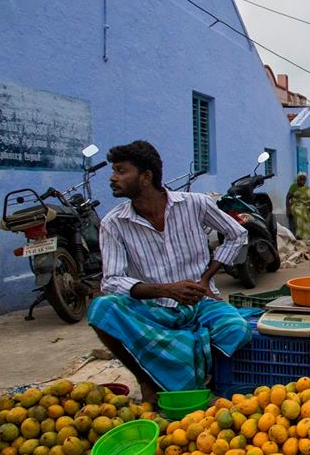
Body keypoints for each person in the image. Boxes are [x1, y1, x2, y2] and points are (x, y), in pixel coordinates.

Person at [87, 141, 251, 403]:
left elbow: (236, 234)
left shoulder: (195, 204)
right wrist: (166, 290)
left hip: (200, 302)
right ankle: (146, 378)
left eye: (121, 171)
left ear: (146, 177)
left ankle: (197, 373)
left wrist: (206, 278)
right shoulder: (113, 223)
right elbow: (112, 281)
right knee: (102, 309)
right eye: (114, 171)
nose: (113, 178)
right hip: (153, 311)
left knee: (236, 329)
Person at [286, 172, 310, 244]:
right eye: (301, 179)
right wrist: (288, 210)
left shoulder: (307, 188)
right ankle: (300, 235)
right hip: (297, 205)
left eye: (304, 180)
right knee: (300, 213)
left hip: (307, 205)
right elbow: (287, 197)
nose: (302, 181)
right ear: (297, 179)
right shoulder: (293, 186)